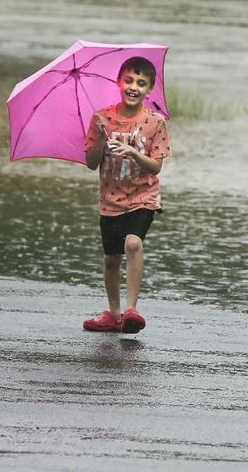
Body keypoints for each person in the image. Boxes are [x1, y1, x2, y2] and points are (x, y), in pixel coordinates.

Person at [82, 56, 171, 334]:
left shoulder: (155, 122)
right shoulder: (102, 118)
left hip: (143, 198)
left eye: (141, 83)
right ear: (119, 83)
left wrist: (134, 153)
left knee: (133, 244)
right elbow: (91, 162)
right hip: (110, 199)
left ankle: (132, 310)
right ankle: (114, 313)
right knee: (111, 258)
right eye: (129, 80)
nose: (134, 87)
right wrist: (98, 135)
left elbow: (156, 166)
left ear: (149, 89)